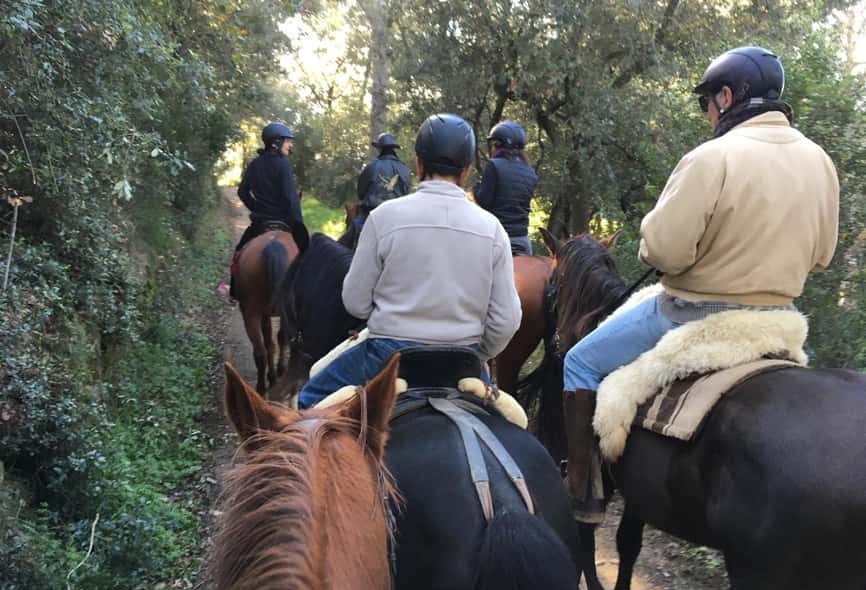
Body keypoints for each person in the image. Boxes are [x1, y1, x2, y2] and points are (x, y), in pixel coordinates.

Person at [561, 45, 840, 523]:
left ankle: (582, 490)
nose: (707, 113)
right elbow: (823, 256)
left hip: (691, 315)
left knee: (579, 361)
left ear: (726, 97)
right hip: (777, 321)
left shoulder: (711, 157)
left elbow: (664, 253)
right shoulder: (820, 162)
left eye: (705, 102)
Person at [298, 113, 522, 409]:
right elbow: (507, 320)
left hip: (387, 356)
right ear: (467, 171)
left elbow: (354, 301)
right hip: (462, 364)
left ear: (418, 164)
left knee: (309, 398)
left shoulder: (382, 218)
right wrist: (478, 353)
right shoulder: (493, 230)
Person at [229, 122, 307, 299]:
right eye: (287, 141)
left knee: (239, 252)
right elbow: (291, 198)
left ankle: (233, 291)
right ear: (275, 143)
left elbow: (242, 192)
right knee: (305, 258)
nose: (290, 145)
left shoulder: (255, 164)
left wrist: (256, 207)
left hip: (260, 223)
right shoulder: (283, 164)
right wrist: (298, 224)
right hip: (283, 222)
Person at [472, 120, 538, 255]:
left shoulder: (493, 165)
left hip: (496, 236)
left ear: (498, 144)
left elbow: (484, 202)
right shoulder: (530, 172)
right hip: (522, 239)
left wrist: (476, 188)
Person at [357, 132, 411, 219]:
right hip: (397, 216)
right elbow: (406, 193)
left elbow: (361, 192)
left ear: (380, 149)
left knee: (355, 224)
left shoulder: (371, 167)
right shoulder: (404, 169)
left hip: (371, 215)